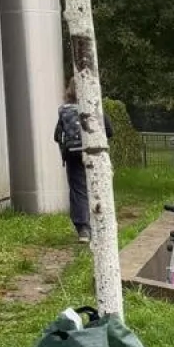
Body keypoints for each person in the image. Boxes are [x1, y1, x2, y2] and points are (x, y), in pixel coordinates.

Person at [52, 84, 113, 244]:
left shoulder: (65, 111)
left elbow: (57, 135)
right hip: (93, 153)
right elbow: (110, 130)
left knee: (78, 190)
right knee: (97, 188)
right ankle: (102, 225)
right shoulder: (94, 108)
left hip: (73, 154)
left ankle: (83, 230)